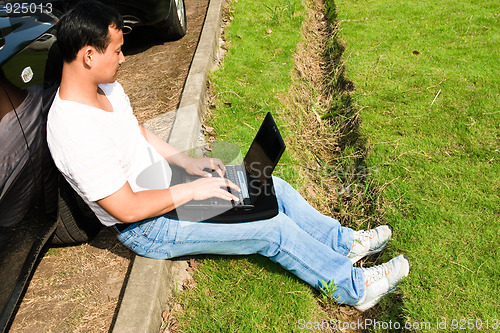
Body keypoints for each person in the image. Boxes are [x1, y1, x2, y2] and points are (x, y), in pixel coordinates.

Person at [47, 0, 409, 311]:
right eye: (117, 50)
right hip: (147, 226)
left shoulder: (105, 86)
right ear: (89, 55)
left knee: (269, 185)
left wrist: (186, 164)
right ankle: (355, 289)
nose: (124, 58)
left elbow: (136, 130)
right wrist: (193, 191)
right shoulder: (74, 131)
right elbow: (126, 208)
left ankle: (343, 244)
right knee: (270, 230)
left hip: (165, 183)